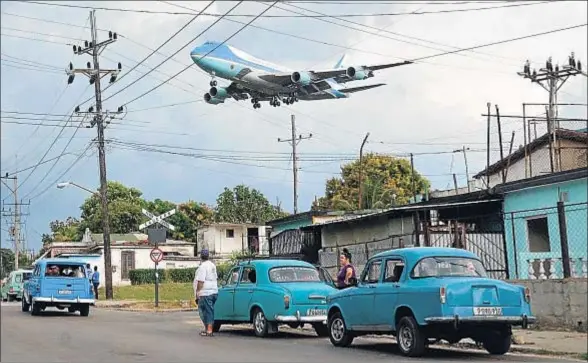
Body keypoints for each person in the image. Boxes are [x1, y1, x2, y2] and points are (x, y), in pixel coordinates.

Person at [194, 249, 218, 337]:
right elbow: (216, 277)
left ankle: (209, 330)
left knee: (205, 311)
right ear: (208, 256)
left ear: (201, 256)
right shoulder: (212, 265)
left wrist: (197, 291)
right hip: (214, 291)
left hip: (206, 292)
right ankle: (208, 328)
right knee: (209, 310)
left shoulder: (202, 267)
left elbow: (201, 281)